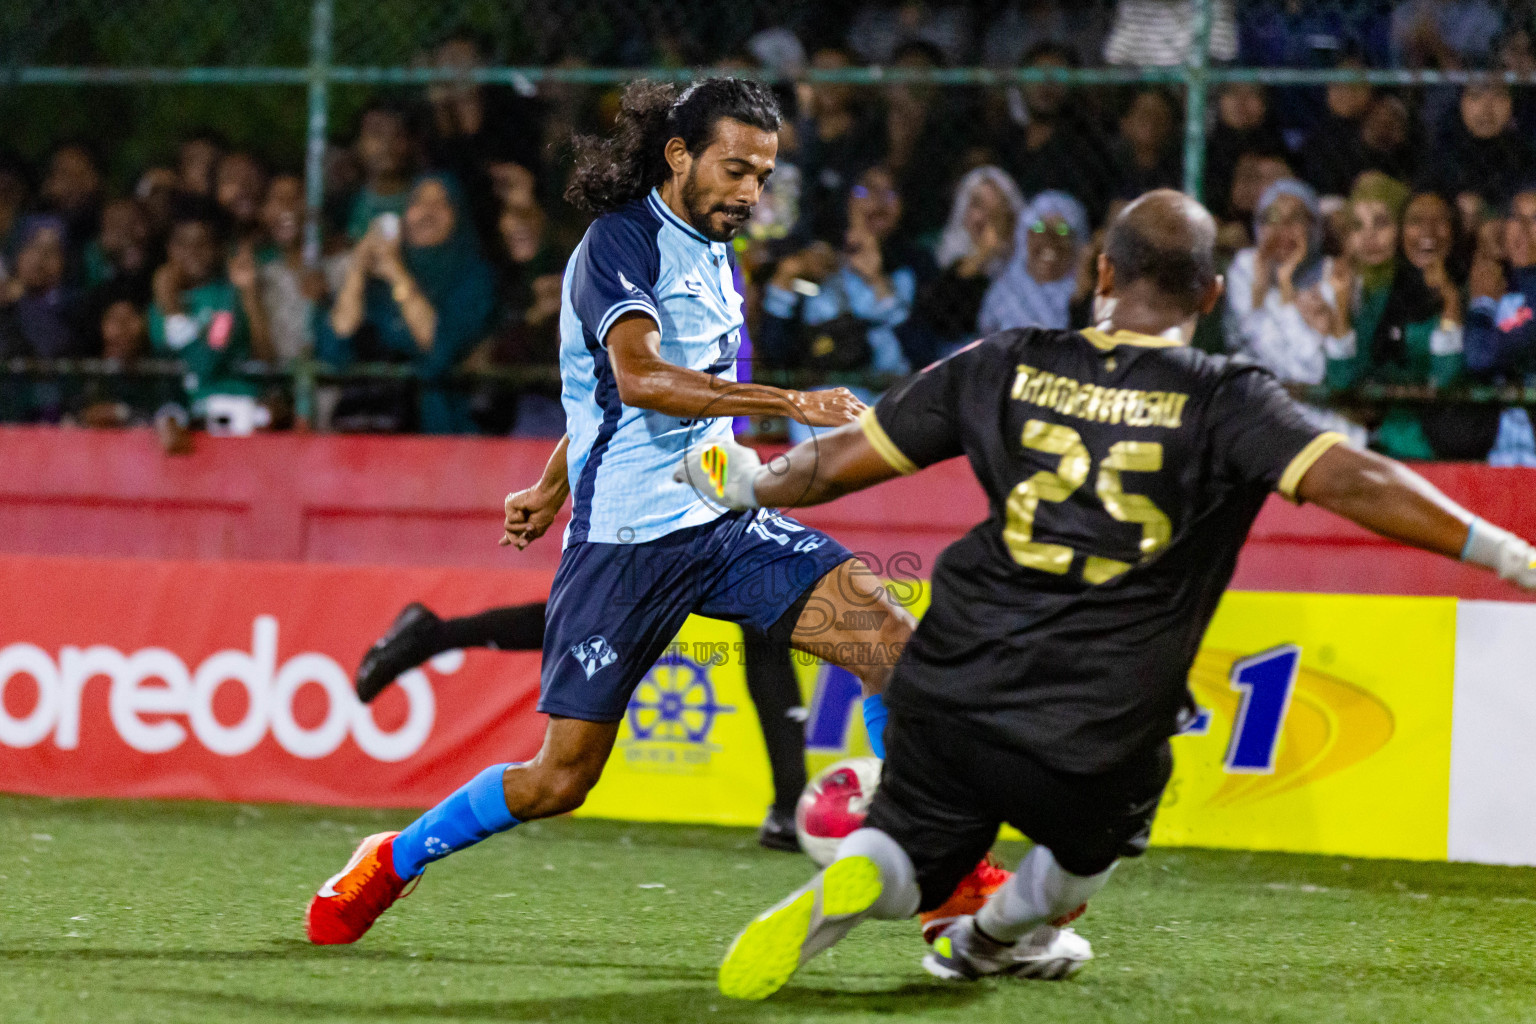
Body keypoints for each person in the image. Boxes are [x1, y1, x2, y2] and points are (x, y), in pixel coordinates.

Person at [689, 189, 1536, 999]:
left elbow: (835, 462)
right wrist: (1505, 550)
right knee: (1095, 843)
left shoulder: (1005, 360)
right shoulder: (1224, 398)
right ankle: (991, 937)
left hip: (951, 680)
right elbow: (1359, 479)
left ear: (1101, 273)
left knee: (911, 845)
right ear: (1208, 292)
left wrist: (750, 486)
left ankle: (869, 868)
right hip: (1095, 722)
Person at [304, 78, 932, 948]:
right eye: (736, 170)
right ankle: (393, 858)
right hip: (626, 543)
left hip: (720, 520)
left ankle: (928, 868)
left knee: (894, 648)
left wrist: (550, 480)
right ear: (680, 156)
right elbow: (635, 380)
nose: (751, 193)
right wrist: (790, 399)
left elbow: (603, 399)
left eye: (764, 176)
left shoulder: (715, 246)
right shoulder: (620, 243)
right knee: (560, 780)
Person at [352, 600, 813, 852]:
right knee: (592, 620)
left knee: (762, 611)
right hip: (656, 485)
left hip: (690, 475)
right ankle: (429, 636)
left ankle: (790, 805)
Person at [1304, 175, 1472, 460]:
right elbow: (1344, 383)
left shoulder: (1475, 291)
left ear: (1455, 229)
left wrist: (1451, 305)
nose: (1426, 232)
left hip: (1440, 451)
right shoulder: (1382, 299)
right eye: (1415, 221)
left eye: (1439, 221)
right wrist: (1341, 312)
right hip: (1383, 449)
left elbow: (1446, 386)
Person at [317, 172, 496, 434]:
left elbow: (438, 348)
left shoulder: (474, 277)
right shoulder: (377, 276)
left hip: (442, 431)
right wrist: (358, 266)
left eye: (441, 204)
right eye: (418, 202)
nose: (427, 212)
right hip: (366, 433)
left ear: (459, 215)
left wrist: (396, 272)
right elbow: (334, 345)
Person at [758, 166, 925, 379]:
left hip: (885, 399)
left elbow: (926, 356)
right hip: (819, 398)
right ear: (846, 199)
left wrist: (878, 282)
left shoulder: (916, 266)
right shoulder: (815, 262)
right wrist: (785, 278)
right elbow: (775, 356)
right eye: (867, 191)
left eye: (890, 193)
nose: (879, 202)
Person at [148, 204, 273, 414]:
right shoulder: (158, 307)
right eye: (183, 244)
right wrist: (170, 304)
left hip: (239, 405)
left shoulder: (227, 298)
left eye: (202, 243)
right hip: (186, 414)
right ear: (170, 248)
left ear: (217, 249)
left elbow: (208, 361)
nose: (193, 252)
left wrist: (173, 310)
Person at [897, 166, 1025, 365]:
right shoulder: (937, 257)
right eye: (978, 205)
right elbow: (940, 322)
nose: (987, 219)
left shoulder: (1029, 266)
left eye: (997, 210)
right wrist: (981, 258)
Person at [1224, 178, 1329, 385]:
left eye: (1295, 219)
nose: (1282, 229)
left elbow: (1310, 375)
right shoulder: (1246, 266)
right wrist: (1262, 287)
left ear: (1314, 226)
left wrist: (1284, 285)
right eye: (1271, 218)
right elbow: (1254, 350)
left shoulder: (1330, 275)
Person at [256, 173, 350, 364]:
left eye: (295, 198)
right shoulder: (264, 275)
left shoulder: (345, 265)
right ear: (263, 212)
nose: (285, 208)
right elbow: (264, 359)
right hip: (281, 386)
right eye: (276, 199)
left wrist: (325, 302)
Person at [979, 190, 1089, 334]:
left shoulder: (1085, 297)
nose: (1050, 239)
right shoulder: (1003, 290)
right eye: (1039, 228)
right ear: (1025, 236)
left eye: (1062, 230)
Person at [345, 103, 417, 242]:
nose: (387, 143)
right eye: (376, 133)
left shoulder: (426, 199)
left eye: (397, 134)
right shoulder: (344, 205)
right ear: (357, 144)